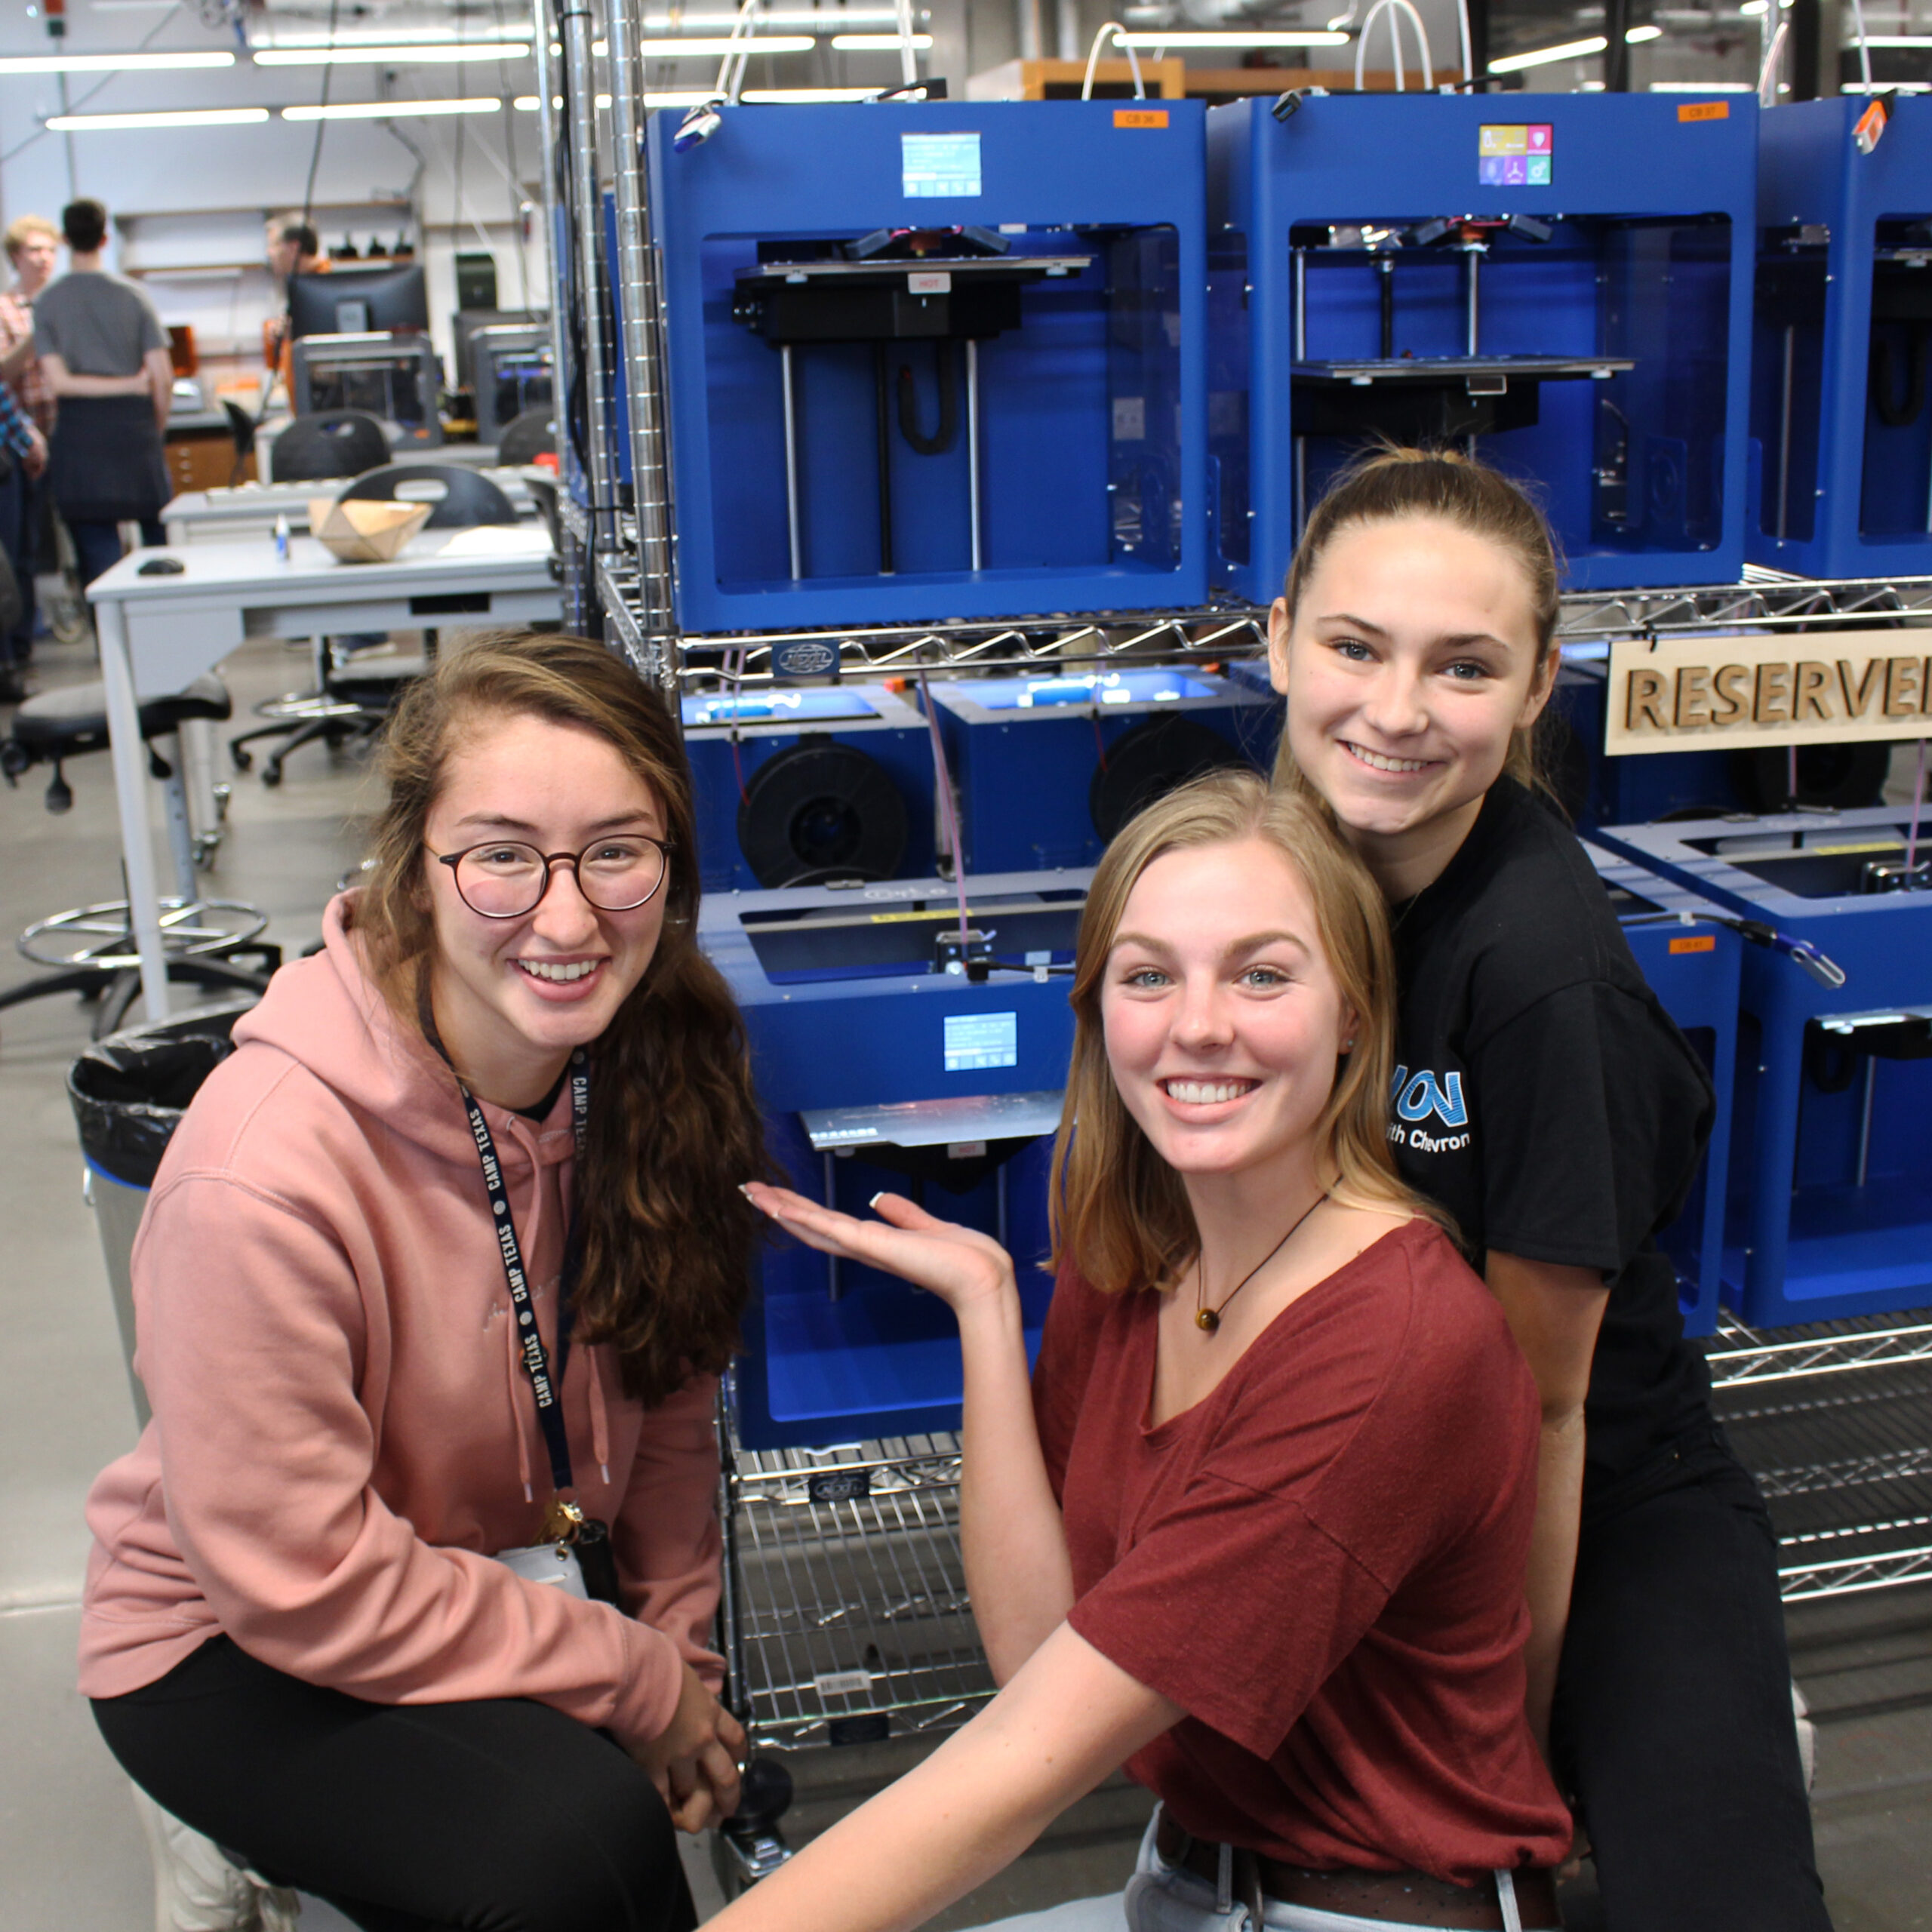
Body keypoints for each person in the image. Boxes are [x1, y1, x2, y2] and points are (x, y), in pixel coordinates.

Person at [729, 769, 1572, 1932]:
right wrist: (985, 1307)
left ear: (1357, 1015)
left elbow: (1020, 1771)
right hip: (1187, 1879)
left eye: (1263, 974)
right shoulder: (1136, 1255)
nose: (1198, 1026)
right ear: (1097, 1009)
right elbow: (1040, 1659)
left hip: (1379, 1908)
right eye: (1148, 976)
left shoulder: (1392, 1346)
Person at [82, 634, 763, 1932]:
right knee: (558, 1860)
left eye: (617, 851)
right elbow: (301, 1576)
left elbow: (669, 1397)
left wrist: (675, 1656)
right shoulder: (260, 1175)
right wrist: (622, 1678)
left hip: (487, 1570)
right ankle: (220, 1837)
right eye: (503, 855)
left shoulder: (660, 1055)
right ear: (417, 865)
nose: (567, 918)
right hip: (241, 1628)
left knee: (620, 1826)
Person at [1266, 446, 1830, 1932]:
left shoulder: (1536, 973)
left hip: (1592, 1496)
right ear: (1275, 637)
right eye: (1351, 645)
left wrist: (1495, 1740)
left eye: (1462, 666)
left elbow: (1543, 1414)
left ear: (1533, 687)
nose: (1391, 710)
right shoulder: (1264, 869)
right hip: (1350, 1472)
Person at [31, 198, 174, 587]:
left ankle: (111, 644)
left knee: (100, 559)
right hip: (135, 428)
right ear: (105, 239)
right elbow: (161, 377)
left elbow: (58, 382)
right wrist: (152, 423)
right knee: (159, 548)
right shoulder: (134, 295)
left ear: (63, 239)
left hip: (80, 435)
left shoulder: (47, 303)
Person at [0, 213, 58, 691]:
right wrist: (37, 333)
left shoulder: (65, 301)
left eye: (50, 250)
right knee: (19, 549)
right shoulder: (5, 307)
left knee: (55, 543)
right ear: (16, 256)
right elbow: (4, 379)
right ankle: (18, 648)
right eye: (35, 250)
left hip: (65, 435)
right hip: (20, 442)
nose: (44, 259)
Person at [263, 214, 327, 385]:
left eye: (274, 245)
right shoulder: (299, 288)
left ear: (294, 248)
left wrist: (298, 330)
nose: (269, 253)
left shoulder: (326, 288)